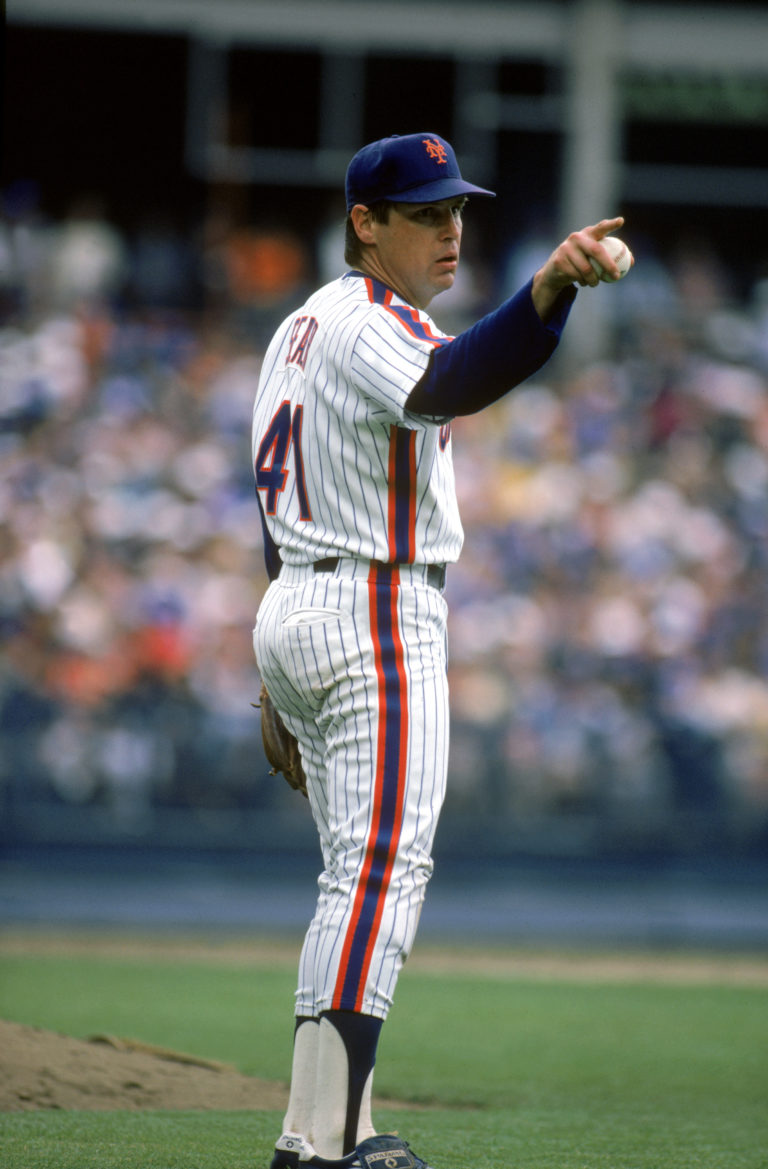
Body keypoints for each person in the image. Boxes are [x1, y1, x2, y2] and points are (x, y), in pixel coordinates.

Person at [251, 131, 628, 1169]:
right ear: (364, 224)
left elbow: (274, 493)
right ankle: (318, 1141)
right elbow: (455, 378)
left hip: (302, 594)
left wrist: (276, 656)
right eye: (423, 213)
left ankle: (338, 1126)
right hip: (371, 604)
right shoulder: (373, 319)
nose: (450, 228)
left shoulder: (300, 325)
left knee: (352, 876)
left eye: (455, 209)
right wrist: (551, 286)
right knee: (380, 873)